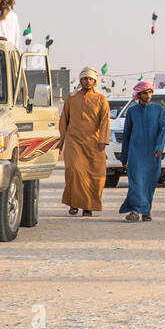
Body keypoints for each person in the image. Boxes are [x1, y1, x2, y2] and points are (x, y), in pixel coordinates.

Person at [57, 66, 111, 217]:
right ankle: (74, 203)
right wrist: (61, 142)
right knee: (73, 171)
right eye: (85, 79)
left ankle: (88, 206)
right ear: (80, 80)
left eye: (90, 79)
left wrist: (103, 140)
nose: (88, 81)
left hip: (94, 143)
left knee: (93, 176)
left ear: (95, 81)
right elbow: (64, 121)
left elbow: (105, 121)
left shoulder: (101, 99)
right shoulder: (71, 98)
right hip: (74, 142)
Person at [120, 81, 165, 222]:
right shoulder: (132, 111)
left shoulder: (159, 110)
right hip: (136, 153)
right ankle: (135, 210)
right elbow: (127, 134)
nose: (148, 95)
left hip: (153, 154)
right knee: (136, 182)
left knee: (149, 183)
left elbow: (163, 130)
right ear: (138, 95)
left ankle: (146, 211)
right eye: (145, 93)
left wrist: (159, 147)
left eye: (150, 92)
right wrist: (124, 156)